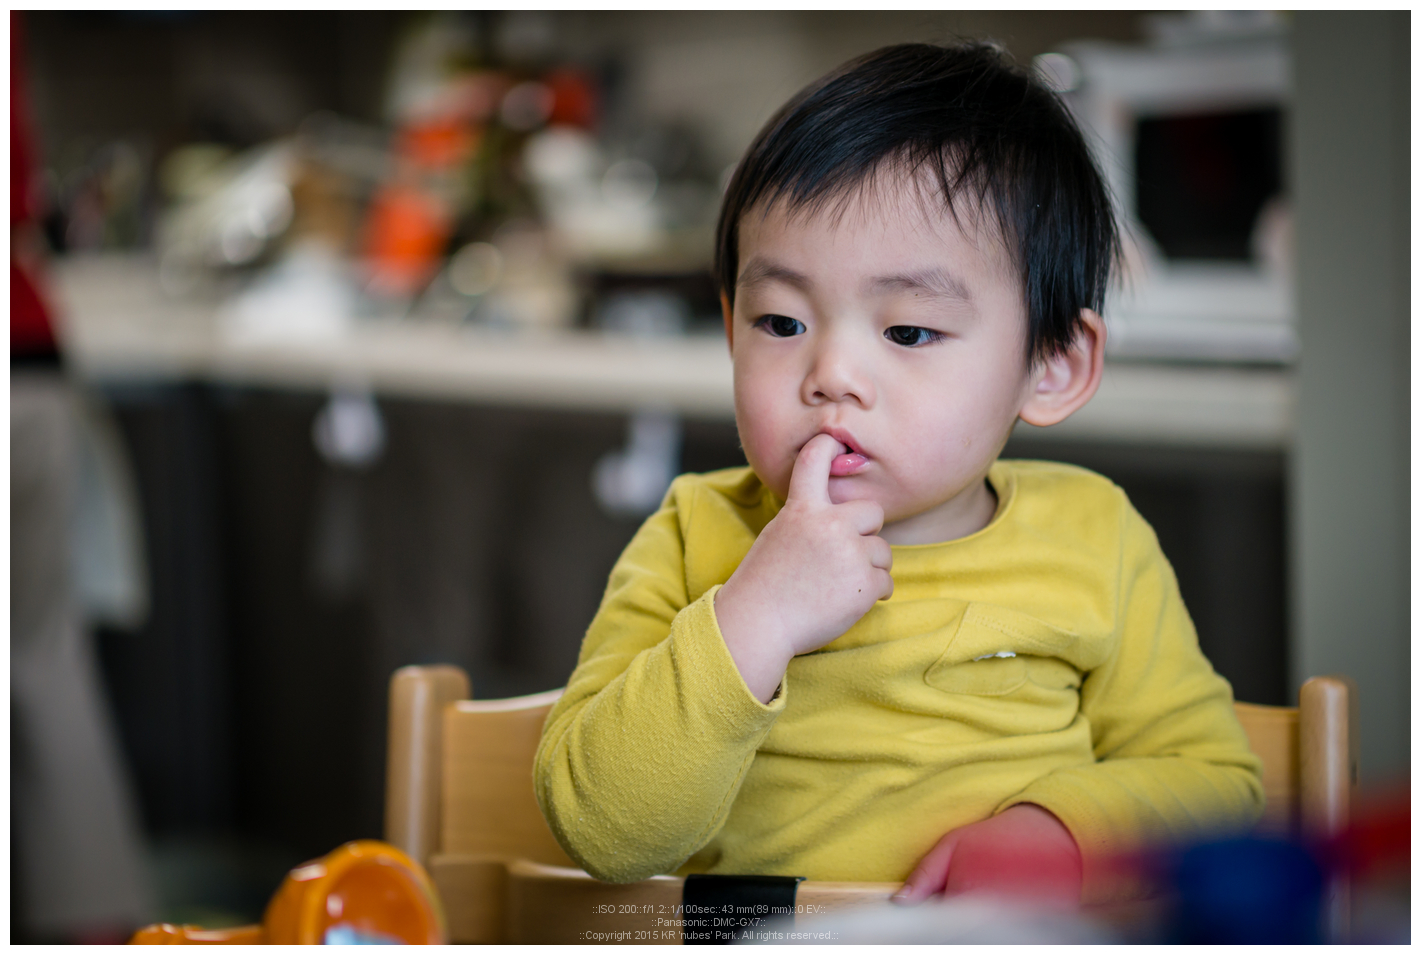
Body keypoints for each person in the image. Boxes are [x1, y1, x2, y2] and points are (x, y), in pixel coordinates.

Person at [533, 42, 1263, 906]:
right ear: (729, 327)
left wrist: (1060, 829)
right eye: (779, 322)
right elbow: (603, 831)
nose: (831, 375)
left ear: (1051, 365)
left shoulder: (1094, 538)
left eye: (909, 331)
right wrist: (756, 615)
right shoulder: (696, 533)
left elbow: (1215, 784)